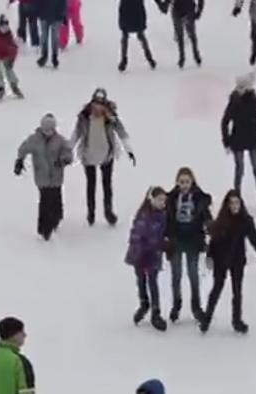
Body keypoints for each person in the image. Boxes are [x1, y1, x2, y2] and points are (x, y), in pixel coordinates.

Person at [200, 190, 256, 334]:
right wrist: (209, 257)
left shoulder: (246, 221)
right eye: (231, 203)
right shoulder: (221, 220)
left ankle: (237, 320)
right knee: (217, 289)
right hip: (220, 259)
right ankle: (207, 318)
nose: (234, 206)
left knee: (237, 291)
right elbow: (214, 241)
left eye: (236, 202)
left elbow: (254, 239)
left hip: (237, 260)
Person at [70, 88, 135, 226]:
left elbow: (121, 133)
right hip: (88, 155)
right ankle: (91, 212)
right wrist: (68, 150)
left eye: (101, 105)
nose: (98, 108)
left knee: (107, 185)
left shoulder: (111, 118)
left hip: (107, 154)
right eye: (96, 104)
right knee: (91, 185)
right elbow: (76, 134)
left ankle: (108, 211)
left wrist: (129, 150)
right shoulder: (84, 117)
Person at [15, 113, 74, 241]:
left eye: (50, 130)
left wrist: (64, 160)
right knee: (44, 201)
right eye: (45, 129)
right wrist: (19, 161)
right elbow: (23, 148)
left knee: (55, 198)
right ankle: (44, 228)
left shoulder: (60, 140)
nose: (48, 132)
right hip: (42, 177)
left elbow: (68, 152)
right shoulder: (34, 139)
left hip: (56, 176)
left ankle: (57, 217)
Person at [165, 167, 212, 323]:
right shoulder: (171, 199)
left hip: (193, 240)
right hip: (176, 239)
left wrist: (211, 229)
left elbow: (206, 216)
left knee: (193, 275)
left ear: (192, 182)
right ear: (177, 183)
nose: (184, 185)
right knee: (176, 275)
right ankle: (176, 305)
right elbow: (166, 218)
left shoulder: (199, 198)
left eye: (187, 182)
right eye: (182, 182)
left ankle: (196, 307)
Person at [221, 73, 256, 212]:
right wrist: (226, 141)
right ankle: (235, 200)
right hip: (239, 141)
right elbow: (225, 121)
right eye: (239, 86)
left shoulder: (255, 101)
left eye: (243, 86)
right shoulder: (234, 101)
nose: (240, 89)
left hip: (252, 140)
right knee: (239, 170)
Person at [125, 186, 169, 332]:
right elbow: (138, 234)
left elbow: (163, 234)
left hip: (154, 255)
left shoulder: (164, 215)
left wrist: (164, 244)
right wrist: (142, 249)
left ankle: (156, 311)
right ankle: (144, 303)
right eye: (160, 200)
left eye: (164, 200)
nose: (162, 203)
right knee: (141, 281)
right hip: (141, 255)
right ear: (152, 200)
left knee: (153, 282)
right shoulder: (144, 215)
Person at [112, 0, 164, 71]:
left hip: (138, 13)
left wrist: (160, 4)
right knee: (125, 37)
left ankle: (149, 58)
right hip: (125, 13)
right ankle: (123, 60)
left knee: (141, 36)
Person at [164, 0, 204, 68]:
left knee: (192, 34)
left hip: (189, 8)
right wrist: (165, 5)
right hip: (177, 7)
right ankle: (182, 57)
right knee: (180, 35)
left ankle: (196, 54)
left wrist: (199, 10)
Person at [33, 0, 67, 69]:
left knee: (55, 38)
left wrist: (63, 15)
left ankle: (54, 57)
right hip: (44, 15)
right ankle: (44, 56)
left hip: (56, 16)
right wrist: (36, 11)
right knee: (44, 37)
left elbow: (63, 1)